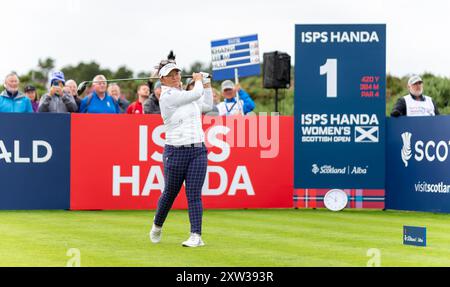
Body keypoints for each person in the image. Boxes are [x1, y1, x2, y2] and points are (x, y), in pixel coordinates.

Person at [149, 61, 213, 248]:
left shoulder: (188, 97)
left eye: (177, 74)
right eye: (171, 75)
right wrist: (200, 80)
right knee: (170, 193)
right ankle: (157, 225)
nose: (176, 78)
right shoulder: (167, 96)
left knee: (193, 194)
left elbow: (207, 104)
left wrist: (207, 85)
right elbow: (196, 92)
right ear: (163, 80)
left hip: (197, 150)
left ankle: (196, 235)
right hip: (175, 152)